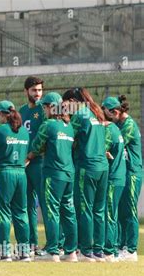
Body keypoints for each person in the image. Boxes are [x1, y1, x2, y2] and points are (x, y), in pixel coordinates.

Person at [27, 92, 78, 262]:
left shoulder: (47, 125)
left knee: (52, 212)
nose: (43, 110)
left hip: (53, 174)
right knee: (69, 213)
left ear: (50, 107)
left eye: (44, 107)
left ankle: (52, 251)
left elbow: (36, 146)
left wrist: (29, 156)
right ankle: (70, 252)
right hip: (69, 174)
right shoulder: (68, 126)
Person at [62, 87, 108, 262]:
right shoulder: (96, 113)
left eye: (65, 105)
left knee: (85, 209)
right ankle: (99, 250)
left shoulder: (80, 115)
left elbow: (67, 136)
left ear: (73, 102)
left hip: (86, 167)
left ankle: (85, 251)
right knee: (99, 210)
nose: (64, 108)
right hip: (102, 168)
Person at [0, 101, 31, 262]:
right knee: (21, 212)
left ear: (1, 114)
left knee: (2, 212)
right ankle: (24, 252)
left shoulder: (0, 130)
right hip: (21, 173)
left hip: (3, 173)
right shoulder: (24, 132)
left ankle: (4, 252)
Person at [103, 95, 142, 262]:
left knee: (129, 210)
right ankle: (120, 245)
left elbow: (115, 143)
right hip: (122, 171)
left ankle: (131, 249)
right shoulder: (118, 123)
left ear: (115, 112)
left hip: (132, 172)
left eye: (106, 115)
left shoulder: (129, 125)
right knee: (117, 211)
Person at [18, 76, 46, 256]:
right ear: (26, 91)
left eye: (40, 90)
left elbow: (44, 138)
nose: (38, 94)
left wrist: (31, 155)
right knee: (26, 204)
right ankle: (31, 243)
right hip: (23, 164)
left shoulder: (45, 110)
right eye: (34, 90)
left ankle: (54, 244)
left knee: (45, 203)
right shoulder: (21, 111)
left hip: (39, 163)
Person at [101, 96, 126, 262]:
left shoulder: (110, 130)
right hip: (119, 177)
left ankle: (109, 250)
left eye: (103, 110)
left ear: (112, 112)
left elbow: (101, 150)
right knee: (113, 214)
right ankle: (114, 249)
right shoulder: (117, 129)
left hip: (112, 178)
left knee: (109, 214)